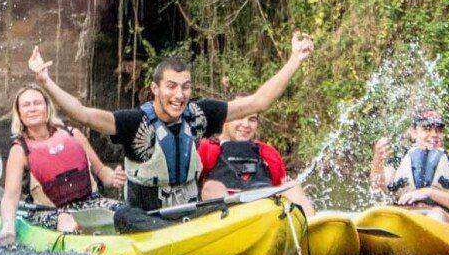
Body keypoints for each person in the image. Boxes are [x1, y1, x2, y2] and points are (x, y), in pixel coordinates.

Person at [27, 33, 316, 212]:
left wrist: (294, 59)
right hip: (145, 217)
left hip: (188, 211)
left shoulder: (200, 114)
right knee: (125, 215)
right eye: (172, 86)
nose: (180, 95)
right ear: (155, 89)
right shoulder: (134, 121)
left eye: (186, 87)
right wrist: (45, 81)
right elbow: (82, 114)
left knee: (218, 205)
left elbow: (257, 102)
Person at [0, 84, 128, 245]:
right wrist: (8, 228)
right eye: (26, 105)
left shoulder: (73, 134)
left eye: (37, 103)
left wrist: (113, 177)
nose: (32, 108)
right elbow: (10, 198)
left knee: (126, 212)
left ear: (47, 108)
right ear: (20, 114)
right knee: (67, 221)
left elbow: (101, 171)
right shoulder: (19, 150)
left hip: (89, 204)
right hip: (50, 212)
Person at [199, 112, 317, 217]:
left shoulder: (268, 152)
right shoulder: (206, 148)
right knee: (212, 186)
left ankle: (311, 227)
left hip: (263, 210)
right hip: (227, 216)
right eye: (239, 117)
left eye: (252, 119)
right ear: (225, 119)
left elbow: (281, 187)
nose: (246, 124)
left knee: (292, 186)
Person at [369, 108, 449, 222]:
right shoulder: (398, 162)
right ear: (413, 132)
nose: (434, 134)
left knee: (436, 214)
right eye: (427, 129)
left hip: (443, 219)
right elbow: (378, 188)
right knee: (383, 213)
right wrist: (378, 159)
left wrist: (429, 192)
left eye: (438, 130)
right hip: (405, 217)